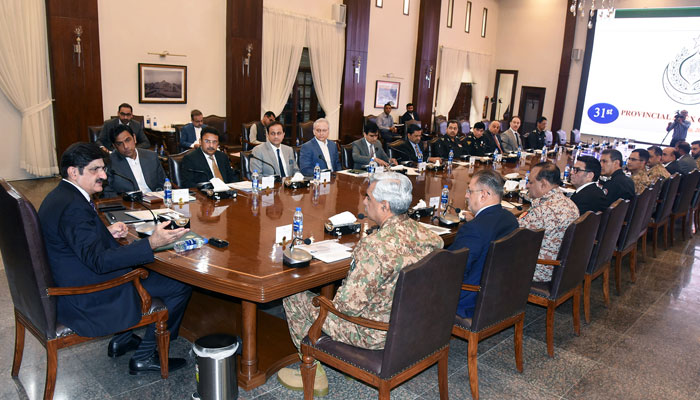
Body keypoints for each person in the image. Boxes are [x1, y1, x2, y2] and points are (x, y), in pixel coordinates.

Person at [277, 172, 443, 395]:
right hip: (414, 323)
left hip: (376, 334)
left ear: (385, 206)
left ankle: (315, 373)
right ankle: (343, 365)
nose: (364, 201)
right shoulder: (432, 238)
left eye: (368, 197)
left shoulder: (376, 246)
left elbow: (346, 307)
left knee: (293, 295)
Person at [38, 142, 191, 375]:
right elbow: (99, 262)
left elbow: (71, 240)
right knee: (179, 283)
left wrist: (103, 233)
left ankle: (123, 340)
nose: (103, 175)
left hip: (70, 275)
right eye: (95, 170)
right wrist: (151, 243)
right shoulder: (73, 207)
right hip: (87, 295)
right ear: (73, 171)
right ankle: (145, 356)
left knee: (146, 265)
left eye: (103, 169)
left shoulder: (60, 196)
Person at [448, 169, 518, 318]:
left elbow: (452, 270)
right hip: (500, 294)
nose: (466, 195)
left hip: (470, 301)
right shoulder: (510, 219)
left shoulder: (474, 230)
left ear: (484, 195)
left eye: (470, 191)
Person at [519, 162, 579, 282]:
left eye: (531, 182)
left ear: (543, 184)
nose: (526, 186)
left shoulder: (542, 211)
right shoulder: (570, 203)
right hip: (564, 267)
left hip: (541, 270)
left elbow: (513, 235)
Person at [103, 125, 166, 198]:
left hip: (155, 201)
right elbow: (107, 192)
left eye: (128, 140)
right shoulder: (110, 162)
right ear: (114, 146)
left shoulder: (151, 156)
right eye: (120, 144)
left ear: (134, 138)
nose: (126, 146)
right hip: (129, 204)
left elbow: (163, 183)